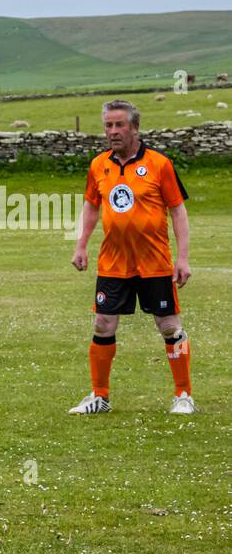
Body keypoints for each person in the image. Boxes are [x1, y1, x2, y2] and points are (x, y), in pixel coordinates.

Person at [69, 100, 195, 415]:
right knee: (102, 324)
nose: (113, 132)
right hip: (113, 262)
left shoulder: (159, 164)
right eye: (108, 126)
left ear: (135, 127)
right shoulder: (99, 164)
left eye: (119, 125)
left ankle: (183, 395)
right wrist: (81, 245)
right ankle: (100, 396)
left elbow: (178, 210)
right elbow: (91, 205)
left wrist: (183, 258)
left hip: (154, 262)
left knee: (168, 326)